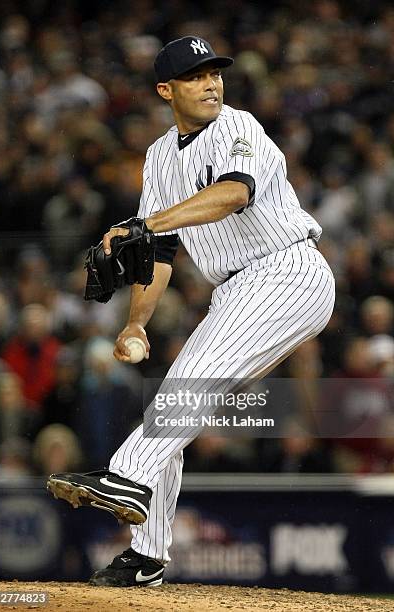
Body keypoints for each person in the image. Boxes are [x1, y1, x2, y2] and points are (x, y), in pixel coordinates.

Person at [47, 36, 335, 587]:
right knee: (176, 405)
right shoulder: (159, 157)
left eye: (215, 73)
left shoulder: (238, 126)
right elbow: (155, 255)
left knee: (185, 389)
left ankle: (125, 475)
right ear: (166, 90)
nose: (211, 83)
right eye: (196, 76)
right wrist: (136, 322)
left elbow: (234, 195)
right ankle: (146, 557)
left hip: (287, 270)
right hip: (238, 288)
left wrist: (146, 225)